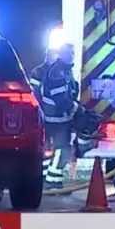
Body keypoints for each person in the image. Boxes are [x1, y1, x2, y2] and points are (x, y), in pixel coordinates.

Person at [39, 43, 79, 190]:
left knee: (50, 150)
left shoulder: (64, 70)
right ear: (61, 55)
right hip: (56, 118)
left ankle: (44, 179)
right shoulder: (57, 72)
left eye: (72, 53)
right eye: (68, 53)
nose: (71, 56)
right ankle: (52, 181)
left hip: (57, 118)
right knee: (62, 150)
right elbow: (61, 99)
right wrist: (77, 109)